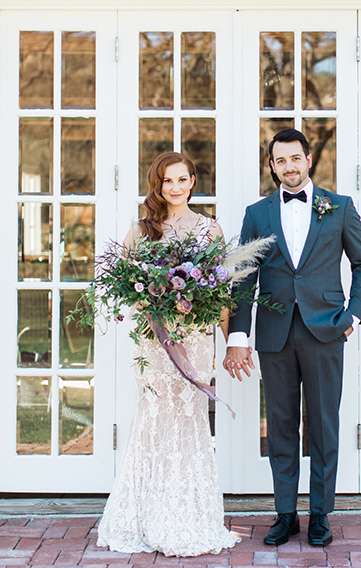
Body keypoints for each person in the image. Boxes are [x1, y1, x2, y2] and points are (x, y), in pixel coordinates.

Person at [224, 129, 361, 548]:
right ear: (271, 166)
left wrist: (352, 318)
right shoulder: (257, 213)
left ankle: (321, 513)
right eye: (280, 161)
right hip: (275, 334)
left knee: (324, 425)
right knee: (281, 426)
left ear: (309, 159)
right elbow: (243, 277)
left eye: (295, 158)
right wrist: (239, 334)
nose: (288, 167)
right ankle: (286, 513)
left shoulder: (339, 207)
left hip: (325, 330)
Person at [97, 152, 239, 557]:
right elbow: (124, 283)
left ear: (193, 181)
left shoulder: (210, 230)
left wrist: (231, 340)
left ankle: (189, 516)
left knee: (192, 422)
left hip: (194, 340)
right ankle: (146, 516)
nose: (174, 188)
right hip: (156, 343)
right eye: (166, 181)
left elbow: (222, 293)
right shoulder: (142, 229)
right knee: (155, 420)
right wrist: (153, 305)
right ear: (156, 186)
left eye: (181, 179)